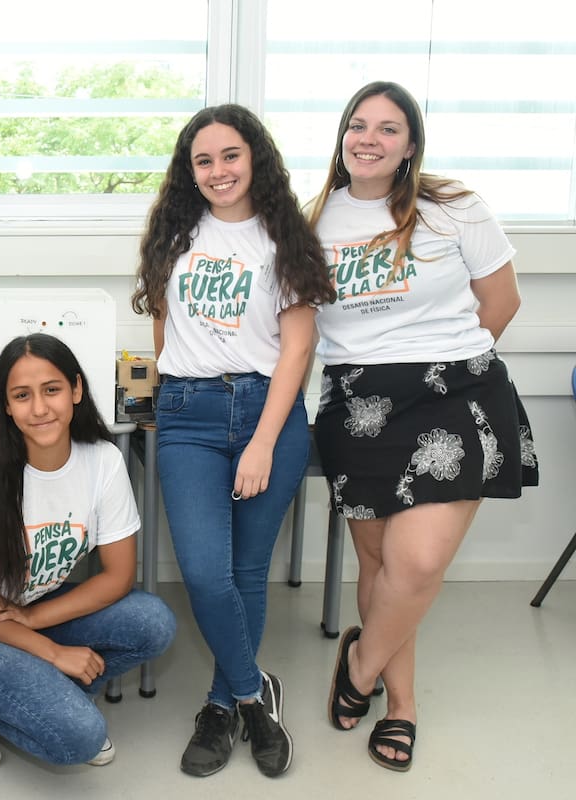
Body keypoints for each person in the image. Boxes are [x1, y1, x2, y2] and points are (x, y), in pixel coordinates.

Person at [307, 81, 539, 772]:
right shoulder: (310, 221)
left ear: (411, 146)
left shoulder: (453, 207)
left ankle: (358, 667)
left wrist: (442, 369)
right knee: (379, 565)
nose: (368, 139)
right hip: (358, 402)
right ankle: (400, 703)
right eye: (358, 125)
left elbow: (502, 300)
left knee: (419, 563)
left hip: (453, 392)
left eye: (387, 128)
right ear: (342, 134)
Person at [132, 104, 336, 778]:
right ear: (189, 171)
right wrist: (173, 392)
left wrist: (262, 442)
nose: (218, 171)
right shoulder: (173, 234)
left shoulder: (284, 238)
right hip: (189, 412)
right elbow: (166, 333)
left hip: (265, 412)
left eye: (230, 156)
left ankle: (220, 706)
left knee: (247, 572)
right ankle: (256, 696)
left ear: (256, 160)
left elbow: (298, 348)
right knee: (203, 572)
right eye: (203, 160)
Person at [0, 333, 177, 770]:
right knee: (81, 737)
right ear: (6, 405)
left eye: (52, 390)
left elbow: (118, 576)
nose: (39, 409)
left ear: (76, 389)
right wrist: (54, 653)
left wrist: (34, 622)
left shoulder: (103, 461)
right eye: (22, 396)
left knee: (154, 622)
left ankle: (33, 690)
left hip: (32, 606)